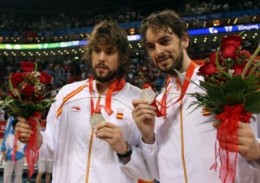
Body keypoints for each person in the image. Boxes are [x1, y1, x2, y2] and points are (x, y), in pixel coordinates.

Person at [132, 9, 260, 183]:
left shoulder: (223, 82)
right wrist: (148, 138)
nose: (158, 51)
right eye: (151, 46)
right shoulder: (159, 104)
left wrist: (258, 151)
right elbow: (156, 173)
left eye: (165, 41)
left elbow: (252, 141)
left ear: (184, 40)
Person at [15, 20, 151, 183]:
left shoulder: (137, 101)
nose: (101, 58)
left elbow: (149, 172)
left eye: (109, 52)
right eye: (96, 50)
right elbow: (49, 149)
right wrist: (37, 138)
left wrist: (125, 149)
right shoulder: (67, 94)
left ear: (121, 57)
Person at [2, 116, 26, 183]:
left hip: (20, 158)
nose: (18, 128)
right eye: (16, 126)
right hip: (9, 157)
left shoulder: (24, 135)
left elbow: (26, 146)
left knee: (18, 175)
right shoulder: (8, 135)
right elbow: (3, 146)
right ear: (13, 126)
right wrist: (4, 155)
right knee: (7, 175)